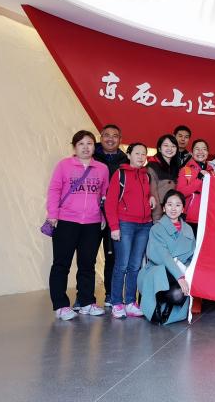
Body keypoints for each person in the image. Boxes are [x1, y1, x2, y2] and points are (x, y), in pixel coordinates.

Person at [47, 130, 109, 320]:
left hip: (92, 223)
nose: (85, 147)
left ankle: (86, 302)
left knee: (87, 264)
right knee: (61, 264)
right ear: (74, 147)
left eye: (89, 143)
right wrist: (52, 213)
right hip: (66, 221)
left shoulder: (102, 168)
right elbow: (54, 189)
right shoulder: (64, 165)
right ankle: (60, 305)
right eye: (81, 144)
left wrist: (103, 216)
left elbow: (104, 195)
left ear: (94, 147)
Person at [104, 142, 155, 319]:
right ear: (129, 155)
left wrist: (151, 198)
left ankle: (131, 302)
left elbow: (144, 195)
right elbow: (110, 203)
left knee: (135, 266)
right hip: (125, 224)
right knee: (122, 265)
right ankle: (117, 302)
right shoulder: (120, 174)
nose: (141, 157)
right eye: (137, 153)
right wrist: (114, 227)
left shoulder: (146, 175)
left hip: (145, 225)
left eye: (143, 154)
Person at [137, 190, 195, 325]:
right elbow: (163, 256)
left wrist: (187, 273)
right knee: (164, 277)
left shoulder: (188, 230)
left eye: (178, 205)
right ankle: (156, 303)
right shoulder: (156, 229)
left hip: (181, 272)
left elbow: (192, 257)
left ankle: (168, 307)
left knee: (178, 294)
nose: (173, 208)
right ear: (163, 208)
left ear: (183, 209)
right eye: (169, 204)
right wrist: (180, 277)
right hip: (158, 272)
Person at [93, 124, 128, 308]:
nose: (110, 139)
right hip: (91, 214)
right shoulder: (91, 156)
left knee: (112, 257)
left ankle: (109, 294)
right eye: (106, 135)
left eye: (115, 136)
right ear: (100, 137)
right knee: (88, 256)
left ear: (120, 139)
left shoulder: (125, 161)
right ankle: (85, 298)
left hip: (114, 215)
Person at [177, 139, 215, 236]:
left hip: (208, 218)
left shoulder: (213, 173)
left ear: (207, 153)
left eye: (204, 149)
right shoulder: (185, 170)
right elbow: (180, 193)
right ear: (192, 152)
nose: (200, 152)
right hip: (189, 218)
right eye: (197, 149)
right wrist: (199, 179)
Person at [148, 134, 180, 222]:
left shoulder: (176, 166)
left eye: (173, 146)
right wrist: (157, 218)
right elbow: (153, 192)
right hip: (158, 215)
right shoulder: (152, 166)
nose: (170, 148)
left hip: (172, 213)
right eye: (166, 145)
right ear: (159, 148)